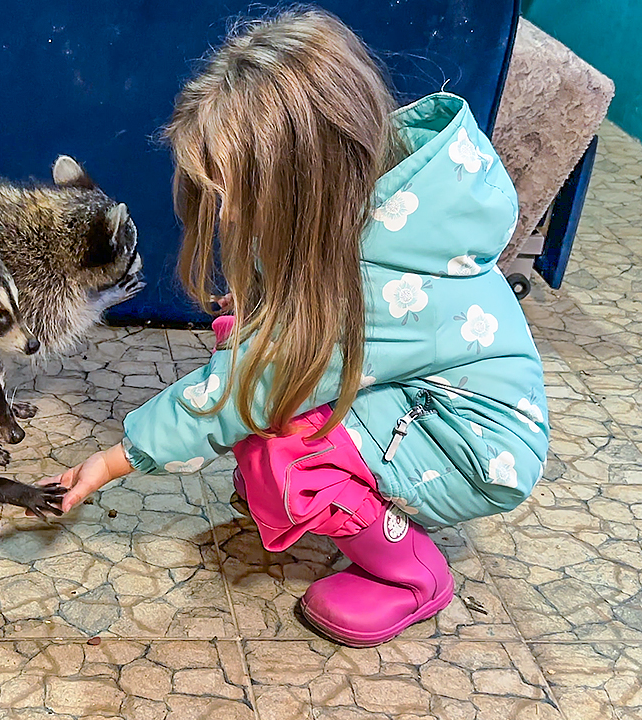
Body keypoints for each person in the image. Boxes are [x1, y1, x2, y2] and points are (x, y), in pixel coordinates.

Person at [46, 8, 548, 648]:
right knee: (257, 355)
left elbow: (242, 391)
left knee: (284, 444)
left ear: (297, 186)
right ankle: (363, 487)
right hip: (434, 400)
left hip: (477, 449)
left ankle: (410, 575)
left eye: (238, 193)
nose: (226, 211)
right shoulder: (377, 202)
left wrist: (117, 458)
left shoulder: (367, 285)